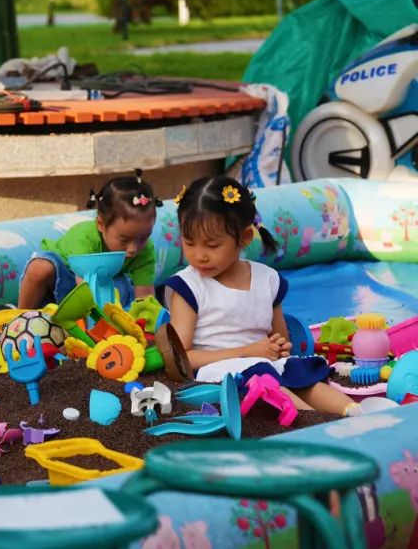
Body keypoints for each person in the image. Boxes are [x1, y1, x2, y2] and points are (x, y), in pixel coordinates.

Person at [162, 176, 360, 416]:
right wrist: (247, 352)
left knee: (303, 378)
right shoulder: (189, 287)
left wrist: (279, 347)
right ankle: (313, 422)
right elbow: (181, 359)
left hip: (263, 363)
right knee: (266, 380)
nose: (199, 255)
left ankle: (355, 412)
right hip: (221, 374)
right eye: (189, 243)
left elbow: (279, 337)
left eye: (212, 246)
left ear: (244, 237)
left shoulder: (266, 279)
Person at [18, 170, 160, 310]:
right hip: (65, 281)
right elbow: (85, 291)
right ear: (101, 225)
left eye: (143, 238)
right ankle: (20, 316)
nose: (133, 249)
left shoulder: (145, 250)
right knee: (40, 268)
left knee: (121, 287)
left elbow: (145, 296)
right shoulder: (84, 238)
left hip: (105, 289)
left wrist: (146, 318)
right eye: (124, 240)